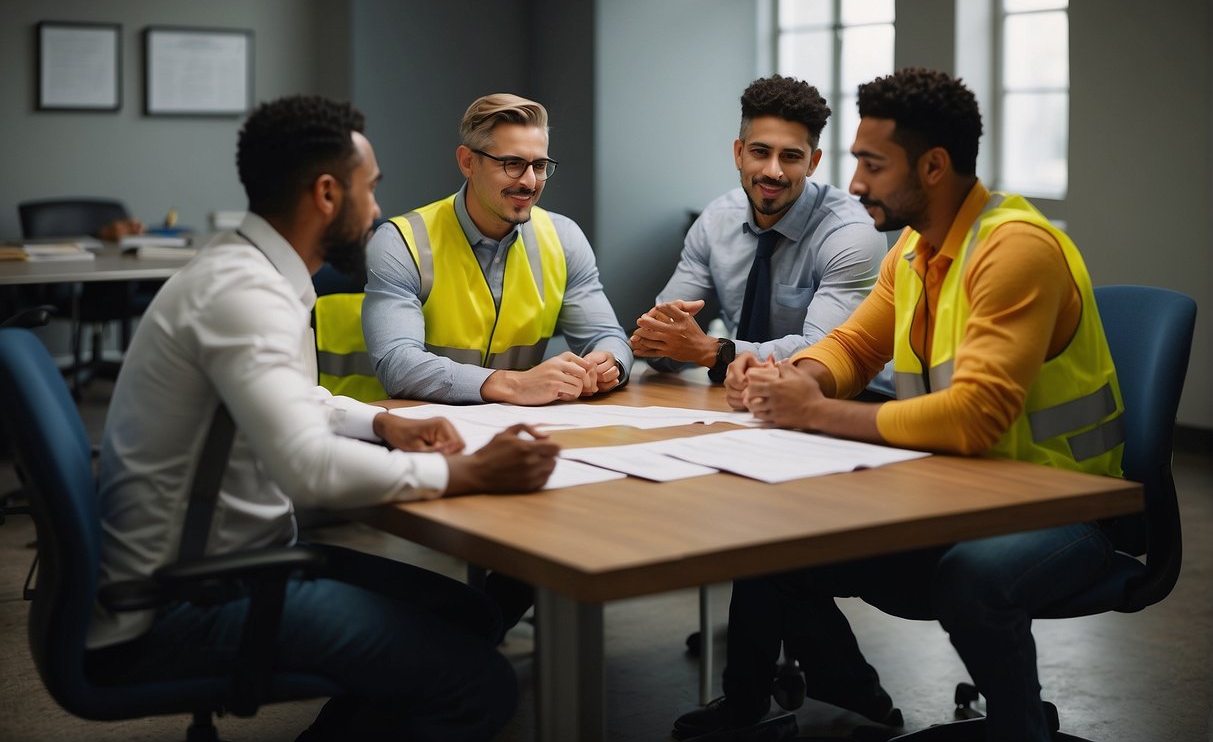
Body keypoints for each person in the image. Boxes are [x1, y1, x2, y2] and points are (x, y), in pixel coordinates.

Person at [86, 95, 560, 742]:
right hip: (181, 604)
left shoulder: (249, 273)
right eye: (372, 190)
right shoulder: (243, 295)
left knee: (468, 613)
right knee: (478, 685)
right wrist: (467, 472)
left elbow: (291, 396)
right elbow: (308, 471)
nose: (377, 211)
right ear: (328, 194)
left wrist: (379, 425)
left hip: (233, 565)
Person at [674, 68, 1125, 742]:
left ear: (934, 166)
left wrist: (814, 411)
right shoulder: (916, 248)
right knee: (773, 545)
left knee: (975, 578)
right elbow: (854, 347)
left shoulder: (1014, 249)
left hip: (1066, 506)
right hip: (958, 492)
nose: (854, 183)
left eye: (871, 164)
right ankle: (747, 707)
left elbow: (975, 417)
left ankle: (1017, 729)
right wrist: (792, 378)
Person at [362, 92, 633, 407]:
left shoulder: (564, 238)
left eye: (540, 165)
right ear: (468, 162)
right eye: (513, 164)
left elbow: (608, 336)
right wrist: (515, 385)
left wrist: (608, 363)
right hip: (410, 430)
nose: (530, 182)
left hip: (519, 430)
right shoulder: (401, 242)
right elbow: (398, 365)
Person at [629, 74, 889, 388]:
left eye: (791, 156)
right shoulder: (715, 222)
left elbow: (825, 356)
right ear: (739, 153)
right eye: (760, 152)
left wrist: (713, 351)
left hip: (851, 403)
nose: (772, 171)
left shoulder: (851, 234)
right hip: (743, 401)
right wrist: (666, 340)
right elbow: (657, 345)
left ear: (813, 162)